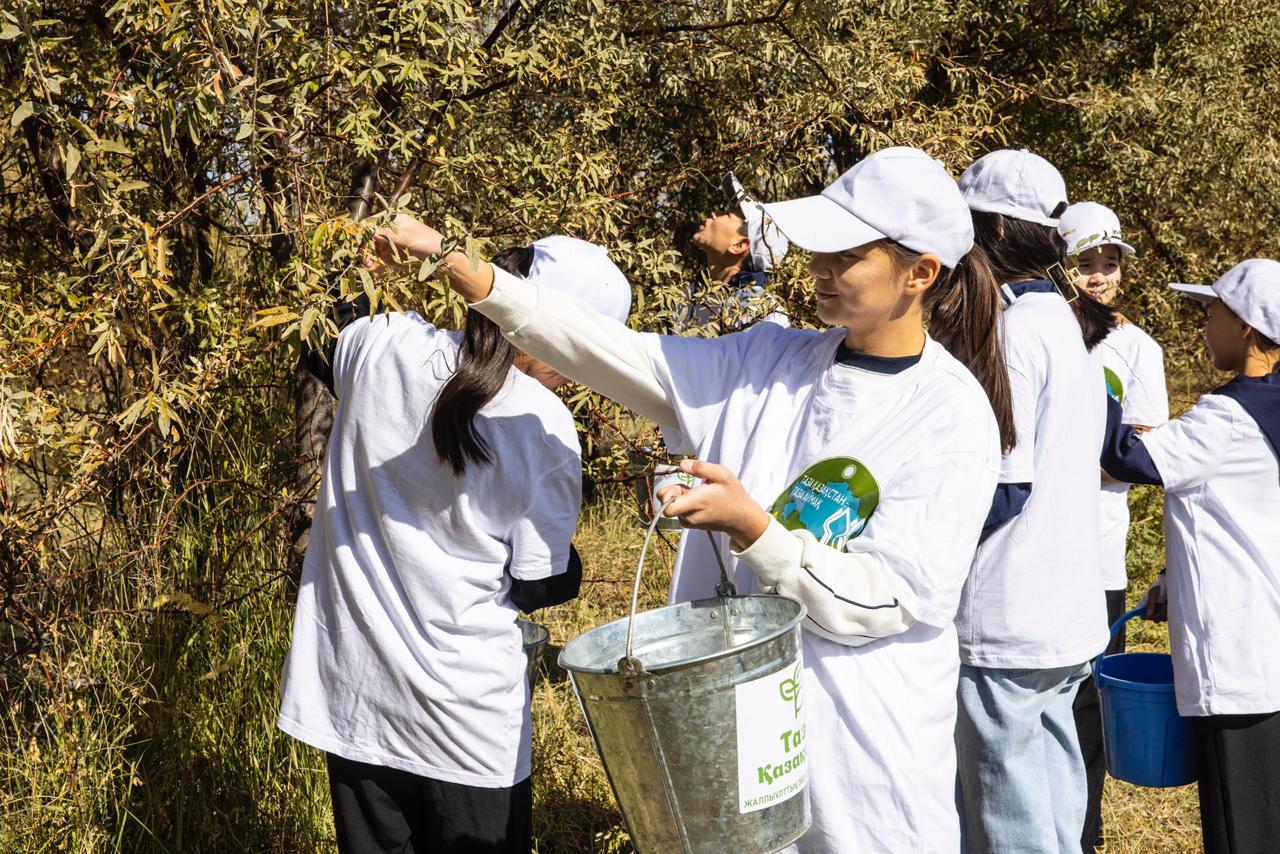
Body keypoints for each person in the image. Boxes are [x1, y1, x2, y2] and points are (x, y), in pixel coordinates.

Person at [378, 146, 1016, 853]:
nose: (820, 269)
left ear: (920, 273)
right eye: (818, 250)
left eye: (846, 255)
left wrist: (753, 528)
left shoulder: (948, 413)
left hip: (861, 748)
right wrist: (469, 271)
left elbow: (892, 598)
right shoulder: (769, 360)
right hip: (733, 724)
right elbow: (608, 351)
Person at [276, 237, 631, 854]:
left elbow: (319, 330)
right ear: (555, 334)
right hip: (465, 724)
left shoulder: (386, 347)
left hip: (355, 696)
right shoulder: (544, 426)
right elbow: (538, 581)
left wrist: (373, 254)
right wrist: (570, 568)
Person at [952, 149, 1117, 853]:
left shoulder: (1014, 329)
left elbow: (1007, 484)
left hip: (1009, 615)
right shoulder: (1063, 323)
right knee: (1052, 801)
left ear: (987, 228)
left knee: (1006, 818)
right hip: (1065, 610)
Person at [1101, 259, 1280, 854]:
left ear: (1249, 330)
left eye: (1213, 312)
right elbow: (1239, 514)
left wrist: (1088, 377)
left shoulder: (1229, 416)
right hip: (1267, 641)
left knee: (1241, 826)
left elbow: (1131, 458)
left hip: (1239, 658)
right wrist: (1173, 579)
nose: (1205, 325)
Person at [1058, 200, 1169, 850]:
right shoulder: (1030, 333)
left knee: (1086, 704)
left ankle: (1084, 831)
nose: (1098, 277)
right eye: (1085, 264)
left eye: (1109, 264)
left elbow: (1138, 454)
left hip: (1096, 553)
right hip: (1022, 555)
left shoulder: (1137, 349)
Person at [679, 172, 790, 332]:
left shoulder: (763, 312)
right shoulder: (689, 295)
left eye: (728, 213)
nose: (714, 213)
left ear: (739, 245)